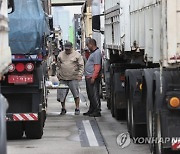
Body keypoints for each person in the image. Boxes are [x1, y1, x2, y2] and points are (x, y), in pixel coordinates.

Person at [57, 42, 84, 115]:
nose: (67, 51)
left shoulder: (77, 55)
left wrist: (80, 75)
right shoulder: (60, 55)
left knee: (76, 94)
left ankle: (77, 108)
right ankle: (63, 108)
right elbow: (58, 66)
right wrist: (58, 74)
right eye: (66, 49)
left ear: (71, 48)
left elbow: (81, 66)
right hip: (63, 78)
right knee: (62, 95)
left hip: (73, 78)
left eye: (68, 49)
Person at [83, 39, 102, 117]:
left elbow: (97, 66)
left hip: (92, 77)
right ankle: (92, 109)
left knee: (94, 94)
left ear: (91, 44)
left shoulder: (97, 53)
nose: (88, 47)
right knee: (90, 94)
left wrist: (94, 77)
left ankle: (97, 110)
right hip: (89, 76)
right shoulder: (93, 53)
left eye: (88, 45)